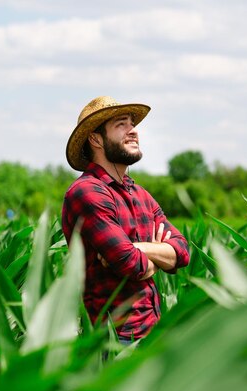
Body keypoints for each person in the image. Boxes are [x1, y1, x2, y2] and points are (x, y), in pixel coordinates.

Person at [61, 96, 190, 344]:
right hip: (113, 340)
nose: (133, 132)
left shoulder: (140, 194)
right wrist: (158, 257)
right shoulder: (87, 192)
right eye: (121, 124)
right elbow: (131, 264)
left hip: (152, 333)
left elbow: (182, 252)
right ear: (96, 139)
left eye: (133, 124)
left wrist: (139, 248)